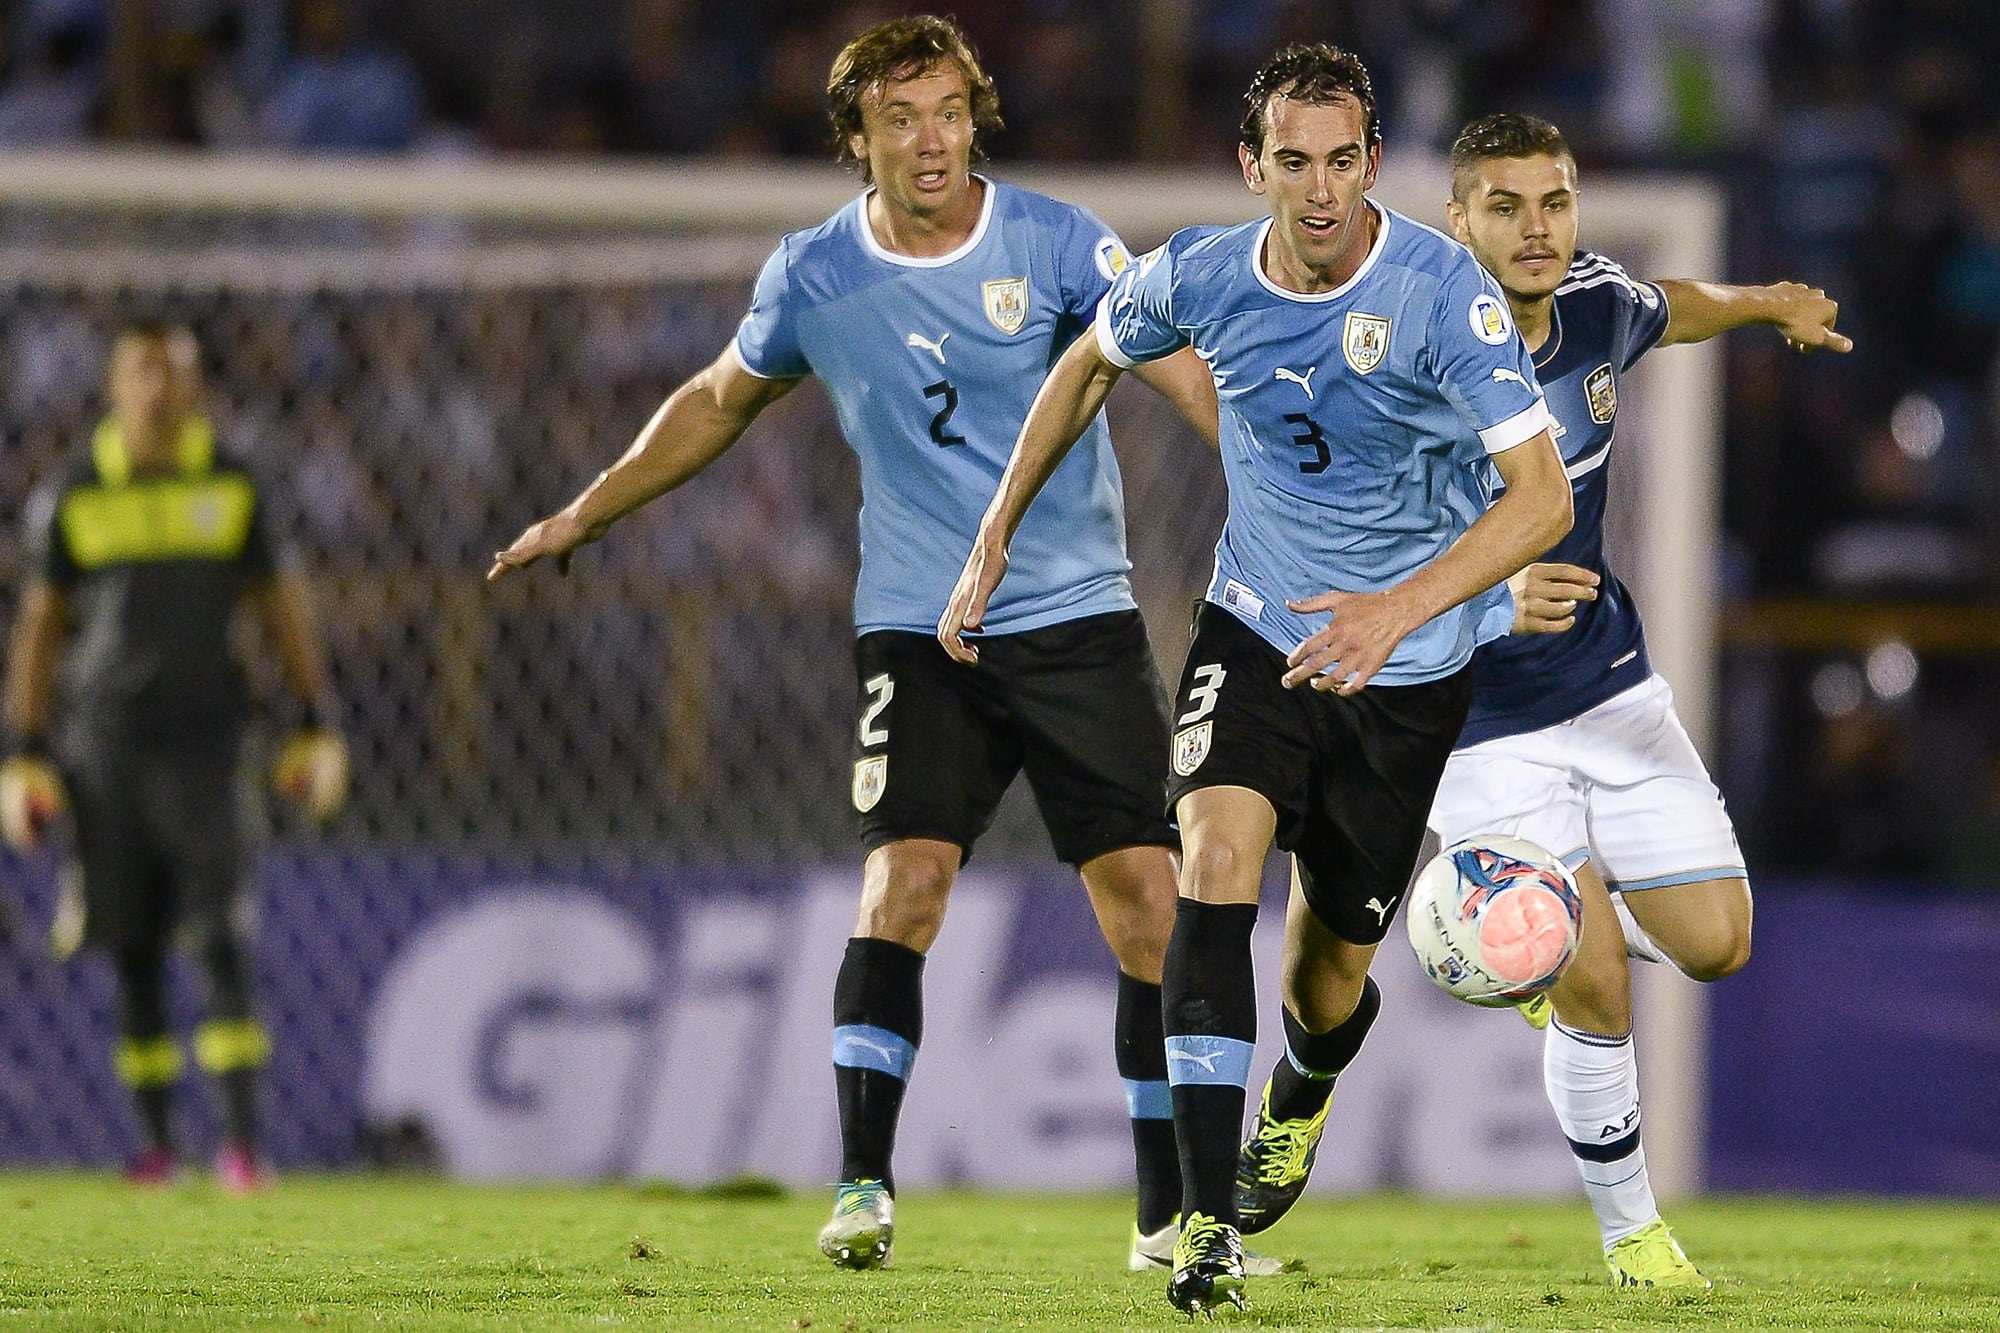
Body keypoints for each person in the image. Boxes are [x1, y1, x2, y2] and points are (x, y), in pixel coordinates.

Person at [489, 14, 1249, 1276]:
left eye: (948, 110)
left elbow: (1168, 362)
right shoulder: (813, 275)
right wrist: (590, 506)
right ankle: (860, 1186)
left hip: (1074, 615)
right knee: (905, 886)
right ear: (857, 137)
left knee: (1147, 910)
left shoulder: (1058, 239)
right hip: (918, 625)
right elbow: (717, 400)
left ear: (974, 118)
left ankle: (1163, 1214)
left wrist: (1282, 480)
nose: (930, 137)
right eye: (899, 117)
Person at [939, 44, 1573, 1314]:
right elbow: (1084, 363)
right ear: (1253, 166)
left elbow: (1541, 499)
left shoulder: (1448, 297)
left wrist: (1396, 610)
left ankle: (1302, 1087)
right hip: (1256, 628)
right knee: (1212, 867)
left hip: (1406, 667)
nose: (1322, 189)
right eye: (1295, 161)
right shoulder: (1199, 274)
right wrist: (996, 525)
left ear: (1374, 163)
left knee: (1326, 978)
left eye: (1344, 160)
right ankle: (1196, 1222)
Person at [1428, 111, 1850, 1288]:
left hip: (1610, 691)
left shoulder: (1596, 306)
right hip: (1475, 725)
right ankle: (1634, 1236)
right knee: (1594, 974)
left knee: (1716, 947)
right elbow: (1343, 551)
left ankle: (1554, 936)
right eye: (1502, 206)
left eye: (1551, 201)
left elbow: (1671, 304)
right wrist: (1477, 603)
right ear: (1453, 219)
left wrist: (1770, 298)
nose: (1534, 228)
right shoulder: (1405, 358)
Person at [0, 322, 349, 1189]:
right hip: (103, 749)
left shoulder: (235, 486)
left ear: (196, 387)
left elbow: (282, 606)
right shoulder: (73, 494)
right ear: (115, 385)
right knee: (131, 947)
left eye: (175, 371)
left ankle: (240, 1148)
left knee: (222, 938)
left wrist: (315, 719)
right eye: (143, 370)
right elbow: (40, 629)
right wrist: (25, 750)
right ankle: (159, 1146)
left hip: (210, 745)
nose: (159, 387)